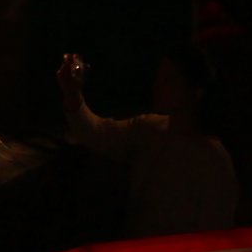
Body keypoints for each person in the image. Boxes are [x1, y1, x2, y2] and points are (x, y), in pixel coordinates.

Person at [54, 43, 238, 236]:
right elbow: (100, 134)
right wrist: (72, 93)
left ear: (196, 93)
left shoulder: (213, 161)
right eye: (159, 77)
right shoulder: (150, 129)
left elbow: (214, 238)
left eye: (170, 80)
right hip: (139, 251)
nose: (157, 86)